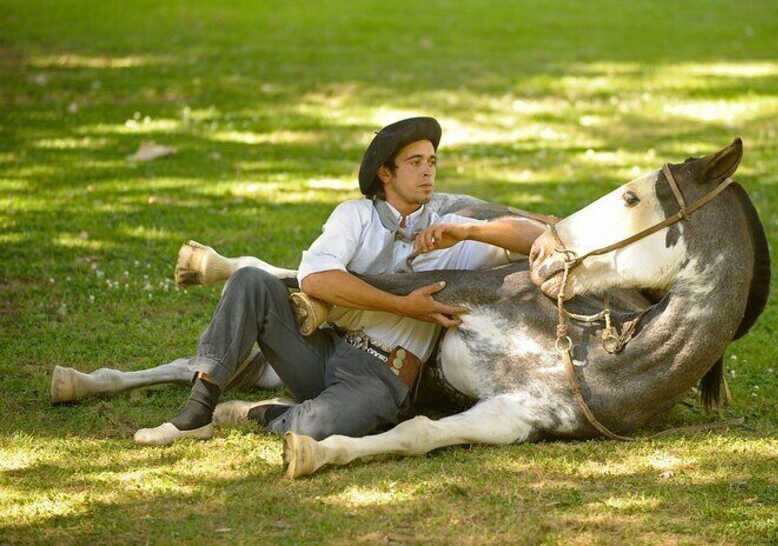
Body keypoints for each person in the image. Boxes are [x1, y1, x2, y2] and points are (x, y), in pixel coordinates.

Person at [134, 117, 545, 446]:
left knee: (317, 426)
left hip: (383, 375)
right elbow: (316, 280)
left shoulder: (449, 230)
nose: (427, 172)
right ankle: (197, 411)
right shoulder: (355, 216)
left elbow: (537, 238)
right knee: (251, 282)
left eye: (432, 161)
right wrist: (403, 305)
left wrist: (472, 233)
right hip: (325, 351)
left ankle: (266, 413)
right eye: (415, 162)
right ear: (386, 173)